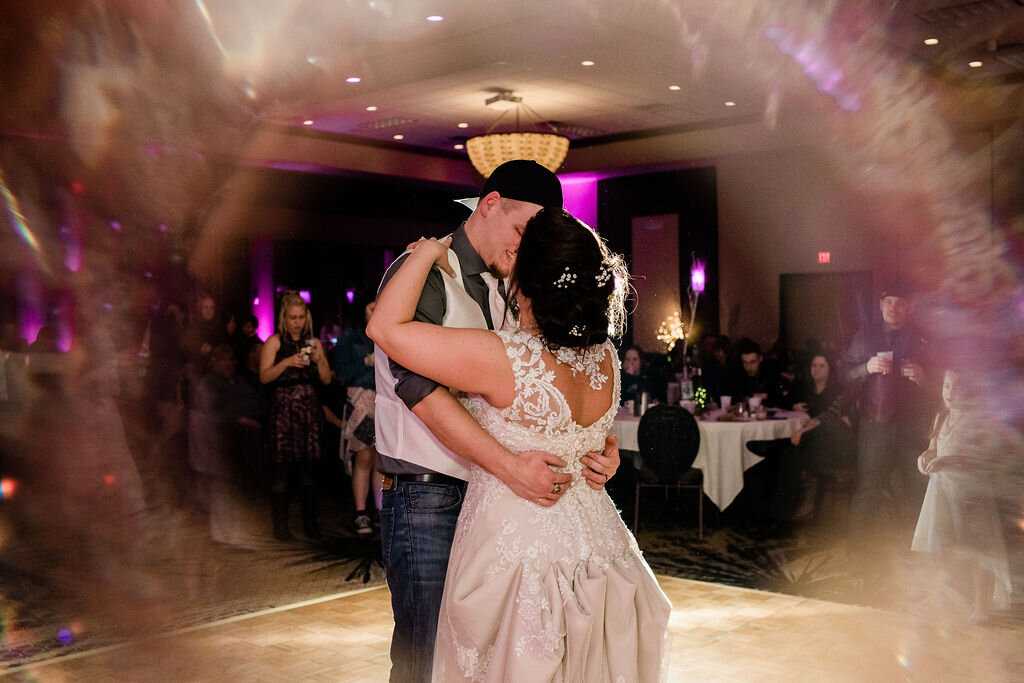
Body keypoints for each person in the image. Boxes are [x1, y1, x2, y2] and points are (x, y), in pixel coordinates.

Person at [369, 208, 669, 682]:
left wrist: (426, 250)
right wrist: (604, 451)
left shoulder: (504, 356)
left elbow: (384, 330)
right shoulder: (606, 357)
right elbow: (581, 431)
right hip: (598, 541)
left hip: (519, 548)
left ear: (526, 280)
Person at [912, 370, 1012, 623]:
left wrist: (947, 460)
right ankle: (947, 597)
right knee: (944, 546)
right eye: (946, 387)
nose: (950, 394)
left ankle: (982, 607)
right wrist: (924, 458)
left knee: (978, 547)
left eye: (958, 388)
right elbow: (934, 447)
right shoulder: (941, 416)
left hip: (971, 494)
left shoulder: (977, 421)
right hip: (943, 491)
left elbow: (981, 458)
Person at [844, 279, 933, 545]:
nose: (893, 308)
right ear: (881, 305)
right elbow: (845, 376)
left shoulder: (923, 340)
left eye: (900, 304)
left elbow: (943, 387)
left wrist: (923, 377)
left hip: (912, 426)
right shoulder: (864, 336)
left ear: (910, 309)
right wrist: (866, 368)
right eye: (889, 303)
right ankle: (858, 554)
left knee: (917, 489)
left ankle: (917, 556)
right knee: (868, 489)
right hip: (875, 426)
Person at [259, 291, 332, 541]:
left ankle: (310, 525)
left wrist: (321, 358)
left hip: (308, 412)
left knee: (308, 472)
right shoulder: (275, 342)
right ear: (284, 317)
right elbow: (264, 377)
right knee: (282, 471)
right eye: (293, 317)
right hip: (283, 412)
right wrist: (286, 362)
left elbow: (326, 379)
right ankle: (280, 527)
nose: (297, 322)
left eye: (301, 317)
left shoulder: (313, 343)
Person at [770, 352, 854, 522]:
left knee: (790, 455)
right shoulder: (806, 388)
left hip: (830, 446)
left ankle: (781, 518)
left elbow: (830, 418)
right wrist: (793, 405)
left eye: (822, 365)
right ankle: (779, 516)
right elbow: (780, 400)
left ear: (831, 369)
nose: (817, 369)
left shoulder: (837, 390)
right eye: (814, 365)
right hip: (812, 443)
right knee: (789, 455)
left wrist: (805, 430)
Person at [334, 298, 381, 535]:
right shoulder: (350, 337)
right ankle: (361, 512)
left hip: (385, 402)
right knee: (363, 457)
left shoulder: (389, 331)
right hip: (361, 401)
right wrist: (366, 361)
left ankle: (380, 511)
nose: (377, 310)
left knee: (381, 460)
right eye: (372, 306)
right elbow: (341, 373)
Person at [728, 337, 786, 407]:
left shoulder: (770, 371)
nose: (748, 367)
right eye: (745, 362)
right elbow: (733, 397)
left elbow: (777, 397)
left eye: (753, 362)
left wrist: (749, 396)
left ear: (761, 359)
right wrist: (761, 396)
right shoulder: (738, 372)